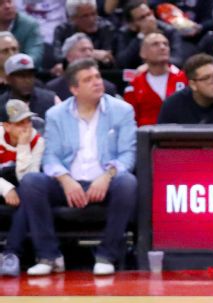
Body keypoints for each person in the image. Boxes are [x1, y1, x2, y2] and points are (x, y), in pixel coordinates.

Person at [25, 59, 137, 276]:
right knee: (32, 182)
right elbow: (50, 157)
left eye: (97, 77)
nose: (97, 82)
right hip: (69, 183)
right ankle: (49, 256)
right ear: (74, 89)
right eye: (88, 80)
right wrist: (65, 180)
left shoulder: (122, 110)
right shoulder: (56, 114)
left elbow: (128, 155)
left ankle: (107, 255)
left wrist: (107, 176)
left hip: (106, 181)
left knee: (128, 183)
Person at [0, 99, 44, 277]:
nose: (26, 127)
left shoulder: (36, 141)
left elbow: (28, 179)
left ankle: (11, 253)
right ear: (6, 126)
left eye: (28, 121)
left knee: (29, 196)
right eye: (20, 123)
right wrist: (6, 188)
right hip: (4, 186)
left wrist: (23, 146)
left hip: (23, 191)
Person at [123, 32, 189, 127]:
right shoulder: (134, 85)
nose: (163, 47)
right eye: (155, 44)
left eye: (165, 44)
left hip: (180, 137)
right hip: (147, 139)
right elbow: (129, 121)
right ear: (143, 53)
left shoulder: (185, 78)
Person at [46, 34, 119, 100]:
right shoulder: (53, 88)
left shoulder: (107, 87)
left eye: (90, 50)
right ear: (69, 56)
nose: (88, 54)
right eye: (83, 50)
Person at [0, 54, 57, 118]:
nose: (27, 80)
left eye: (30, 75)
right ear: (8, 79)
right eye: (21, 76)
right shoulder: (1, 104)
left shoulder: (51, 99)